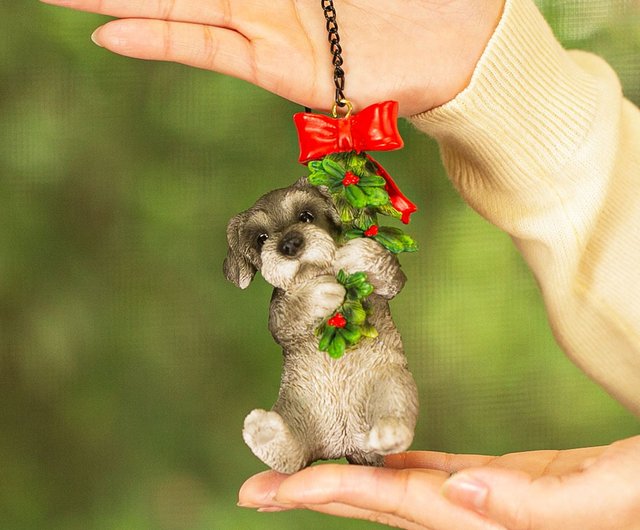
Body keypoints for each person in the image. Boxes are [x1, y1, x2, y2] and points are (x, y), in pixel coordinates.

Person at [39, 0, 640, 528]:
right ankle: (292, 441)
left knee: (390, 390)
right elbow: (286, 329)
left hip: (373, 379)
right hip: (310, 393)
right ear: (249, 261)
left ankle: (384, 429)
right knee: (294, 414)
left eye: (304, 221)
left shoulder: (355, 251)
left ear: (333, 216)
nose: (290, 241)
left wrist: (373, 262)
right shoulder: (285, 301)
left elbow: (389, 282)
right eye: (268, 239)